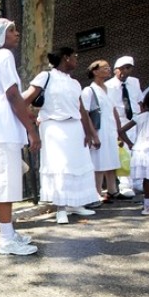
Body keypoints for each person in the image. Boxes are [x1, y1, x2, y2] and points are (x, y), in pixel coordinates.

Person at [0, 18, 41, 255]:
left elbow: (11, 98)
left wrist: (27, 119)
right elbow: (13, 95)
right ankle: (5, 240)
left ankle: (9, 233)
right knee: (4, 184)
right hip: (1, 131)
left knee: (7, 182)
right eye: (11, 30)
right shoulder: (4, 56)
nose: (17, 33)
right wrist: (31, 131)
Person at [23, 47, 100, 224]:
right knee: (60, 166)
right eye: (75, 57)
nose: (77, 60)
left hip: (74, 127)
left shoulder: (75, 83)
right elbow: (25, 99)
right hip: (54, 127)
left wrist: (89, 133)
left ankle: (76, 204)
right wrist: (31, 121)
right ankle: (61, 208)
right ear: (66, 58)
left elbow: (81, 110)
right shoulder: (46, 76)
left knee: (77, 165)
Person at [81, 60, 132, 203]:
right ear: (95, 71)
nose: (108, 70)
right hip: (99, 129)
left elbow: (114, 110)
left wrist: (119, 131)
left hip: (110, 130)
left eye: (109, 68)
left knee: (111, 160)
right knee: (99, 162)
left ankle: (112, 190)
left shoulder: (110, 89)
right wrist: (93, 134)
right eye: (104, 68)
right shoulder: (89, 91)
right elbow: (85, 113)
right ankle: (96, 192)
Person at [118, 89, 149, 215]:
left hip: (138, 150)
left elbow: (121, 130)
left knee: (147, 178)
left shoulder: (140, 116)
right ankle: (148, 205)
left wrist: (130, 143)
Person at [106, 56, 143, 197]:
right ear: (116, 70)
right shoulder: (108, 85)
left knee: (137, 151)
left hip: (134, 120)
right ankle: (125, 185)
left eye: (128, 68)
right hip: (120, 120)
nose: (124, 71)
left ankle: (138, 182)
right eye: (122, 68)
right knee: (123, 153)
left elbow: (139, 100)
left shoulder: (135, 82)